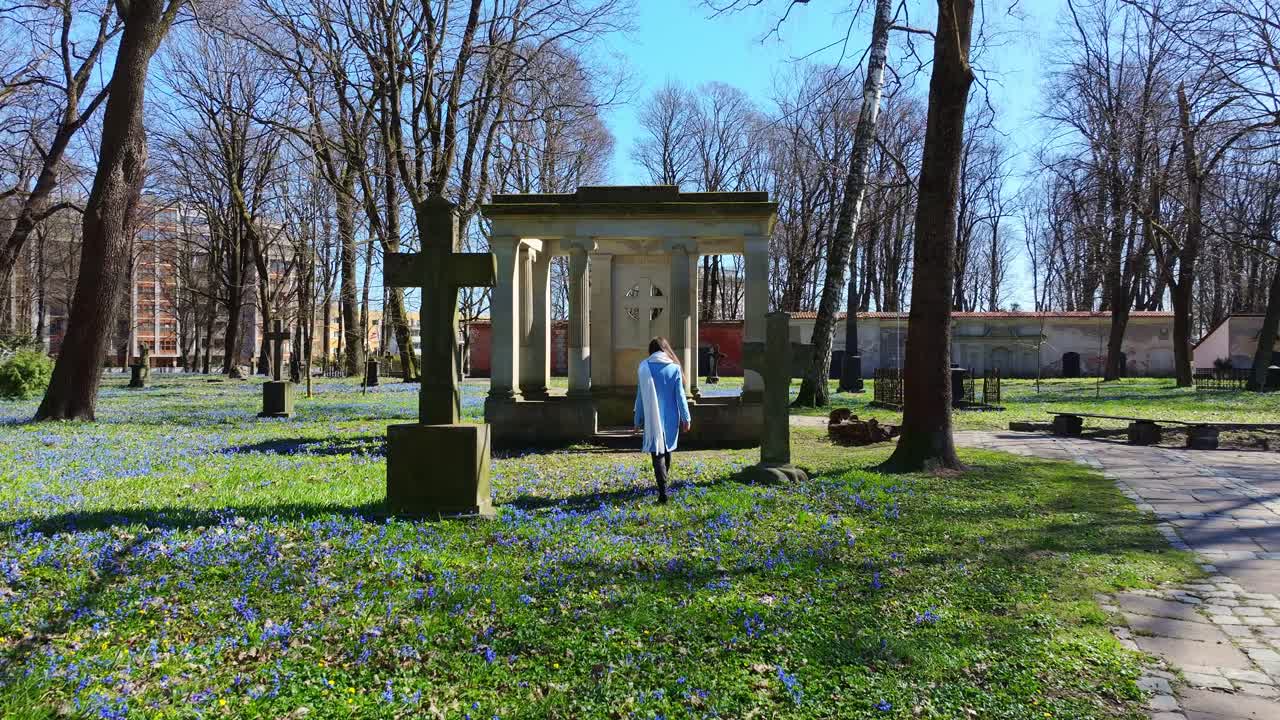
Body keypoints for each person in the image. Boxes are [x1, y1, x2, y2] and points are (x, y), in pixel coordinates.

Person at [634, 337, 691, 504]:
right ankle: (664, 487)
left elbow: (640, 397)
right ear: (666, 349)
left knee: (657, 454)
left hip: (652, 419)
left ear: (650, 351)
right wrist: (686, 417)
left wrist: (637, 420)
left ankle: (662, 491)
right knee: (666, 451)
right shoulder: (674, 368)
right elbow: (680, 396)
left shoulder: (644, 367)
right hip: (671, 417)